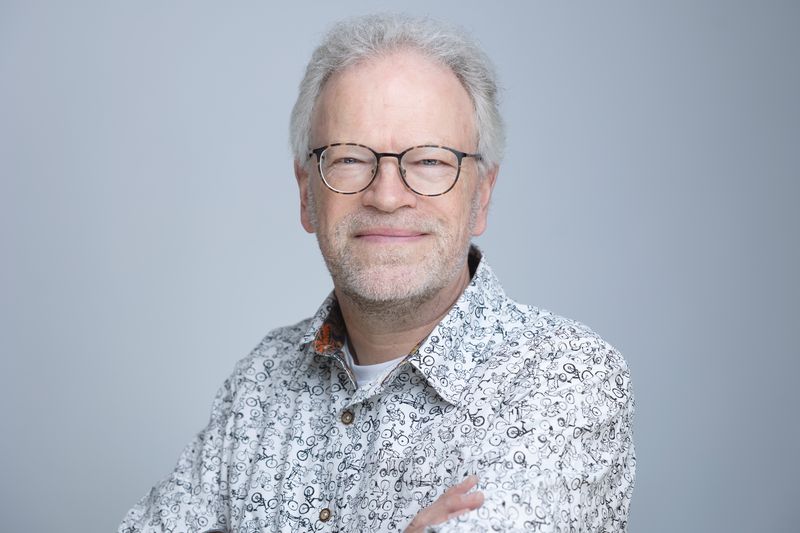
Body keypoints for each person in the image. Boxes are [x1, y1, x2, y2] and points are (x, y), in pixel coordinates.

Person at [120, 13, 635, 533]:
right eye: (349, 159)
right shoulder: (261, 382)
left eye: (430, 161)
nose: (387, 196)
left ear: (481, 195)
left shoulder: (562, 381)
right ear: (306, 193)